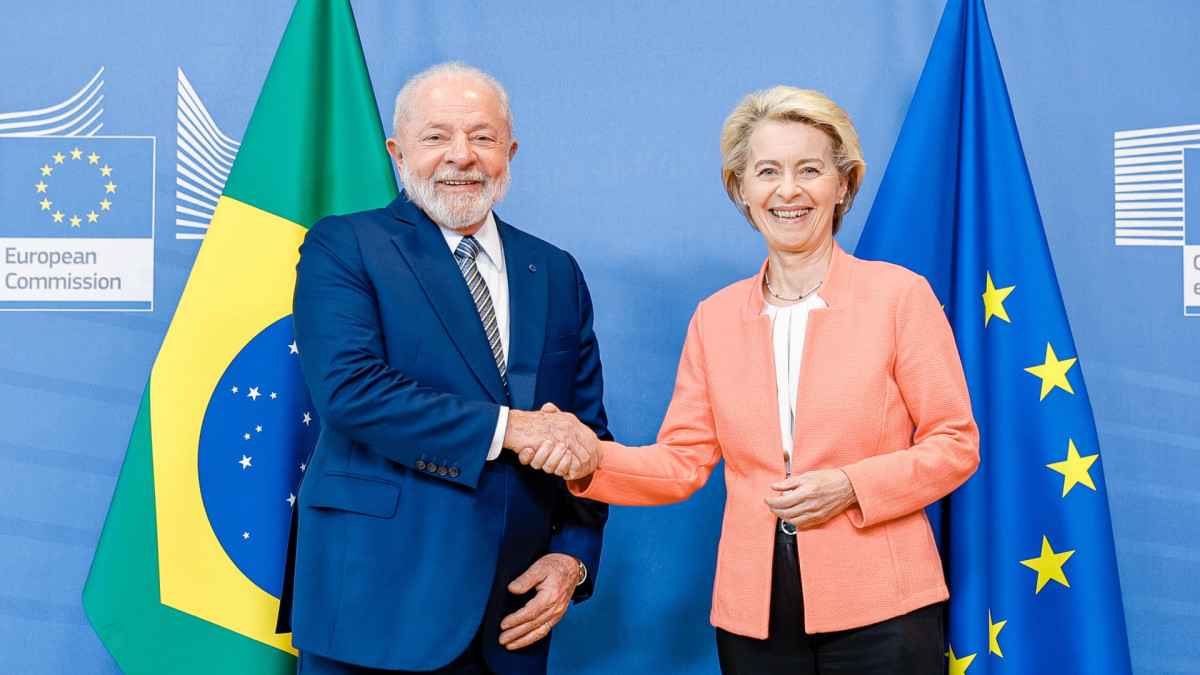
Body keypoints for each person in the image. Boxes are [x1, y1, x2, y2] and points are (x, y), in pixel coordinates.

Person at [532, 86, 980, 673]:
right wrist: (591, 459)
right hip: (753, 615)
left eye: (810, 170)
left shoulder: (900, 297)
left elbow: (955, 443)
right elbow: (682, 462)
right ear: (741, 188)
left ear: (843, 184)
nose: (788, 190)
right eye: (767, 171)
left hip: (885, 608)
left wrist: (851, 484)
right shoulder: (713, 317)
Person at [280, 62, 609, 675]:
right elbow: (351, 392)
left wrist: (574, 555)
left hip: (511, 618)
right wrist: (511, 429)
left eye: (482, 137)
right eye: (436, 137)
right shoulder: (343, 245)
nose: (462, 156)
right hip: (377, 606)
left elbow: (586, 435)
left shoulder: (555, 269)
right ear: (397, 152)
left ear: (509, 152)